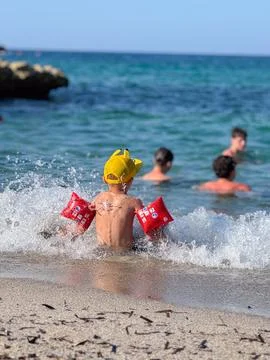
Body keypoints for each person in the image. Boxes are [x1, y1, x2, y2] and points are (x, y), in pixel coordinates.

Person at [76, 149, 144, 250]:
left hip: (101, 251)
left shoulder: (98, 199)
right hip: (125, 253)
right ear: (130, 180)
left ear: (104, 179)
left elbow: (80, 229)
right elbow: (150, 230)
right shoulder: (134, 202)